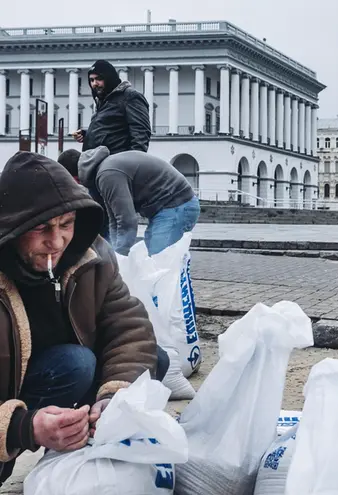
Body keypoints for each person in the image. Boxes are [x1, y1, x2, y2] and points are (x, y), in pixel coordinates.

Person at [0, 152, 168, 484]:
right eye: (41, 228)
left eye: (66, 224)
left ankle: (72, 444)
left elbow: (129, 327)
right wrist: (23, 427)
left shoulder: (92, 258)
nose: (57, 241)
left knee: (152, 362)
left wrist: (111, 397)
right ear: (12, 228)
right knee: (75, 363)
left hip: (63, 373)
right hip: (17, 394)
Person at [57, 146, 199, 257]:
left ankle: (169, 294)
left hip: (178, 206)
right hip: (169, 208)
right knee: (153, 258)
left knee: (159, 260)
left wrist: (119, 257)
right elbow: (114, 219)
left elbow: (127, 221)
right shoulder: (104, 171)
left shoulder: (108, 174)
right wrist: (113, 251)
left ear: (74, 178)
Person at [73, 60, 151, 155]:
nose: (94, 84)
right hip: (97, 160)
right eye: (92, 80)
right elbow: (112, 131)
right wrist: (88, 135)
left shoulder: (130, 96)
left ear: (109, 78)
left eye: (99, 79)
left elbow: (141, 134)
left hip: (115, 162)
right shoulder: (103, 101)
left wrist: (130, 162)